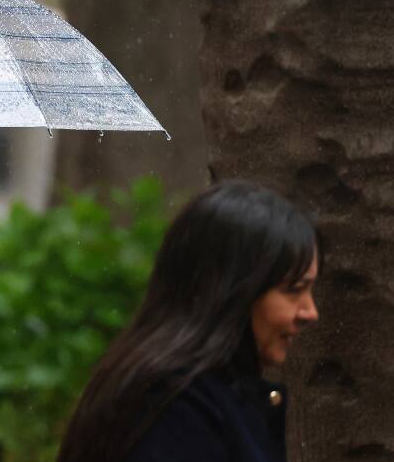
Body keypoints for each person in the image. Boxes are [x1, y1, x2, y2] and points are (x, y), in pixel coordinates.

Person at [58, 180, 321, 462]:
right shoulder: (179, 410)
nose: (310, 312)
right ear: (233, 290)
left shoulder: (191, 396)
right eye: (294, 290)